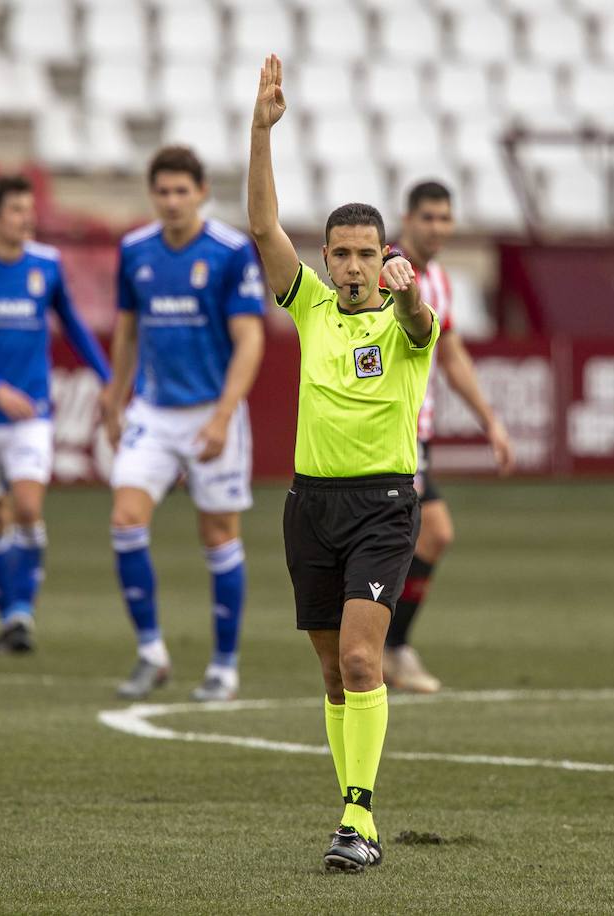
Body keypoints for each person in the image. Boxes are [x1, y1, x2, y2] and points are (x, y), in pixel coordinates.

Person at [248, 54, 439, 872]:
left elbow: (425, 323)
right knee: (334, 675)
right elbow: (262, 229)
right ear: (326, 258)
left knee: (364, 658)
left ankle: (358, 822)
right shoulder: (312, 307)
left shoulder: (403, 319)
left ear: (382, 255)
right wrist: (260, 131)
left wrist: (411, 291)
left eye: (366, 253)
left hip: (384, 507)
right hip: (310, 507)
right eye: (342, 254)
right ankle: (351, 810)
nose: (353, 266)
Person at [101, 146, 266, 702]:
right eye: (162, 191)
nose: (172, 201)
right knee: (126, 520)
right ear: (152, 195)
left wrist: (222, 417)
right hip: (152, 409)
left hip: (211, 412)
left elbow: (250, 339)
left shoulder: (229, 251)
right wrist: (114, 394)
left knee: (218, 535)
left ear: (201, 193)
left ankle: (224, 665)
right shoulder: (135, 251)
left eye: (181, 191)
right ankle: (151, 651)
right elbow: (127, 329)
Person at [0, 174, 111, 653]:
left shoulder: (46, 265)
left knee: (29, 509)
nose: (27, 217)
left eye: (28, 208)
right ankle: (8, 617)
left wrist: (106, 375)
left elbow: (73, 325)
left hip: (32, 412)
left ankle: (22, 612)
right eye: (16, 210)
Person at [382, 180, 514, 693]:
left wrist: (490, 420)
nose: (437, 227)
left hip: (420, 434)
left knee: (430, 535)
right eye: (428, 217)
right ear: (408, 219)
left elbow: (452, 353)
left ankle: (389, 648)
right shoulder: (388, 270)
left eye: (444, 218)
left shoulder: (437, 281)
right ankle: (378, 648)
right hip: (394, 432)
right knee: (409, 536)